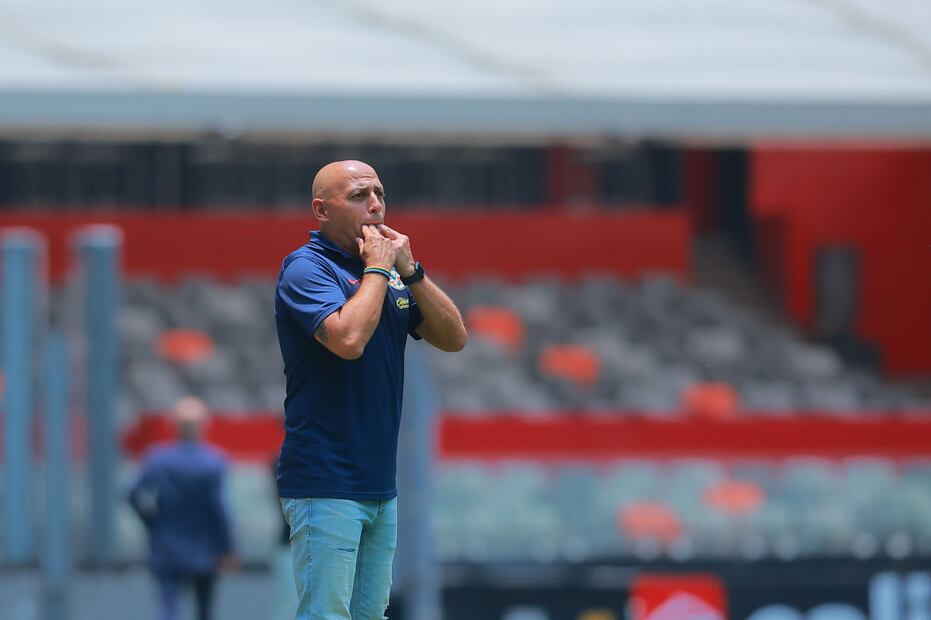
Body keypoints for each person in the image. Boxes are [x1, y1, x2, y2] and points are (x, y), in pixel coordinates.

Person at [275, 160, 467, 619]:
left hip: (379, 484)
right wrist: (379, 270)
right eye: (360, 196)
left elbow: (453, 338)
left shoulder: (389, 272)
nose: (376, 205)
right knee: (326, 615)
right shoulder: (307, 268)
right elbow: (347, 341)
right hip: (325, 481)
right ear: (322, 210)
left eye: (380, 193)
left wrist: (411, 270)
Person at [128, 396, 235, 620]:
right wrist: (226, 548)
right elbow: (219, 509)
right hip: (205, 548)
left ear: (174, 426)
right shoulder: (214, 461)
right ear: (203, 426)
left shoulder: (157, 459)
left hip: (166, 545)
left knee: (168, 609)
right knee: (204, 610)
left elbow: (133, 495)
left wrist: (152, 523)